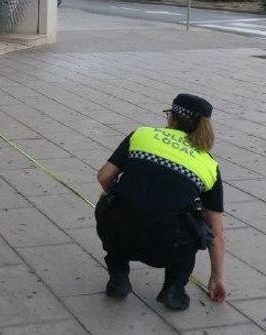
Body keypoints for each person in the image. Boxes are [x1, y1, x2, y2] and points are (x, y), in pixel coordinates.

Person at [95, 94, 226, 311]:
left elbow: (104, 177)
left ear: (171, 118)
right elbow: (216, 231)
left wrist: (114, 198)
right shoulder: (209, 165)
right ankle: (174, 289)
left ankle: (118, 278)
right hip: (169, 245)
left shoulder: (142, 134)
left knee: (111, 205)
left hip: (120, 233)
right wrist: (217, 276)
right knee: (196, 222)